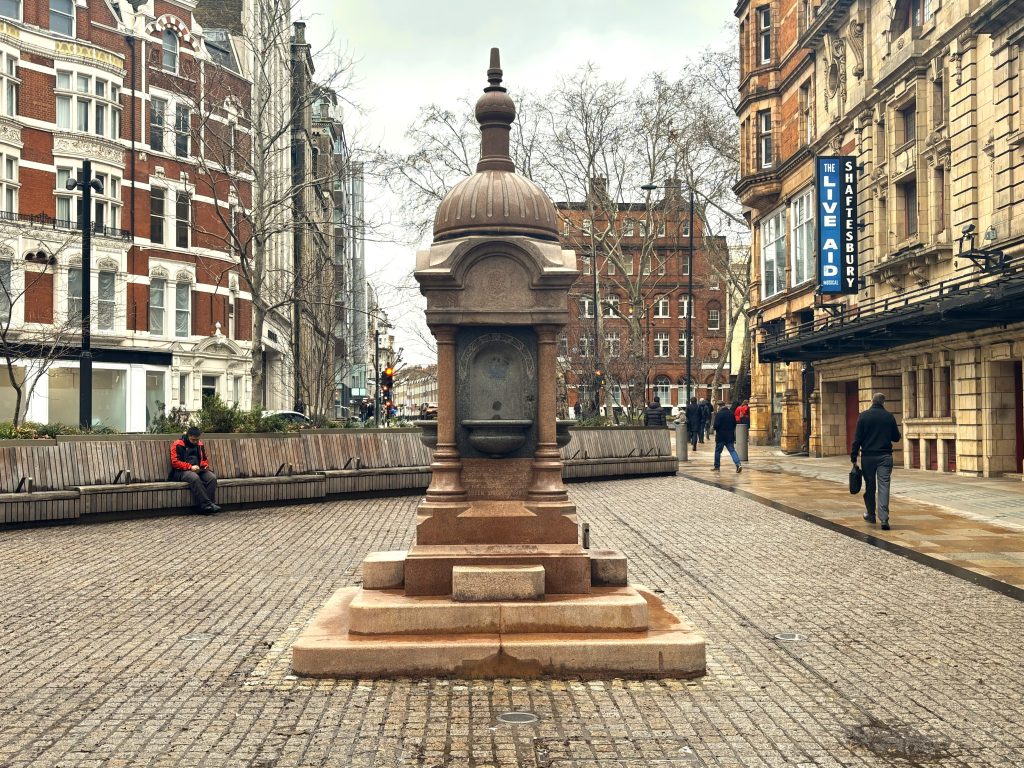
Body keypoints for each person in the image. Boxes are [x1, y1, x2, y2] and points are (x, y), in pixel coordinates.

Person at [850, 392, 902, 530]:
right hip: (885, 457)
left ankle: (871, 514)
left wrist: (854, 456)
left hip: (868, 458)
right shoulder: (889, 417)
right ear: (883, 402)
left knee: (870, 486)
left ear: (872, 401)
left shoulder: (864, 416)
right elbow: (896, 438)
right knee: (884, 486)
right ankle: (884, 519)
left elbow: (857, 439)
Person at [169, 427, 220, 514]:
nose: (196, 442)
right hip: (181, 471)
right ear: (188, 436)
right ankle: (207, 504)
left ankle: (205, 508)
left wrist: (204, 466)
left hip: (198, 470)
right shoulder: (178, 444)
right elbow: (175, 462)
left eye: (197, 439)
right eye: (193, 440)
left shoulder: (199, 444)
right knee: (194, 477)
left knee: (212, 477)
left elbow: (204, 459)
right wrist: (190, 467)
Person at [712, 402, 742, 473]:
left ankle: (717, 466)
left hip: (721, 436)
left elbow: (716, 425)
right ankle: (738, 464)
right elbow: (734, 424)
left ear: (719, 406)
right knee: (732, 450)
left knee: (718, 451)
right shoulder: (731, 413)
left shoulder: (719, 414)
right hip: (730, 436)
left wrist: (715, 428)